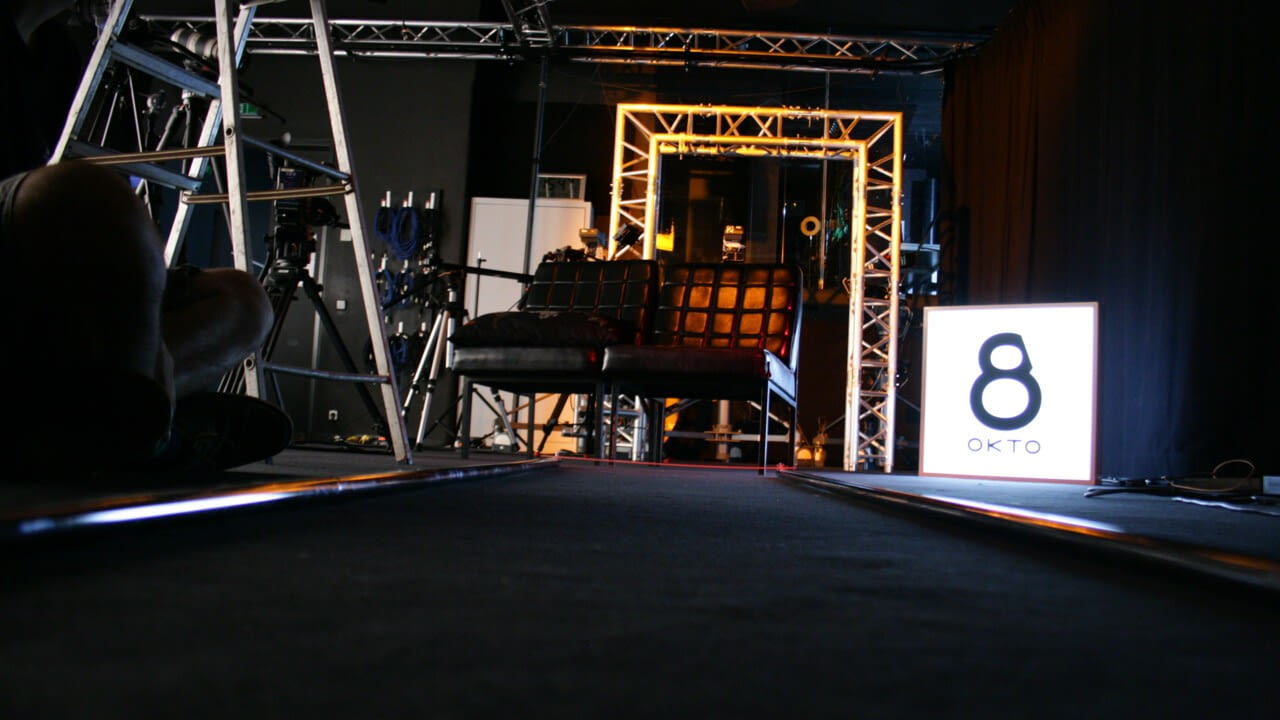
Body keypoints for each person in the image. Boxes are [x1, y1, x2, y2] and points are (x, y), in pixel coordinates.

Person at [2, 2, 292, 474]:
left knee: (243, 302)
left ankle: (83, 429)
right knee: (81, 191)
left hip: (42, 287)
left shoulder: (56, 53)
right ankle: (148, 437)